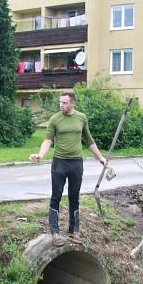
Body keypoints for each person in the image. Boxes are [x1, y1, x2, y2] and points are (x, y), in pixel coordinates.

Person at [29, 91, 106, 246]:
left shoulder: (81, 118)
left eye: (64, 102)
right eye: (60, 102)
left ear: (72, 103)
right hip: (59, 162)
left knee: (74, 197)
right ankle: (55, 233)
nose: (61, 105)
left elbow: (89, 140)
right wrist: (40, 155)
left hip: (76, 163)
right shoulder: (55, 119)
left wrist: (100, 158)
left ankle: (73, 231)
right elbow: (48, 140)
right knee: (56, 196)